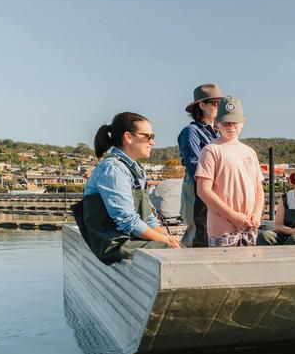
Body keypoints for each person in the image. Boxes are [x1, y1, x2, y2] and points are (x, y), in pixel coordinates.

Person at [80, 112, 181, 264]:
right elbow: (127, 220)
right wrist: (164, 240)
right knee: (172, 253)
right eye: (148, 136)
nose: (152, 142)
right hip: (114, 242)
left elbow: (149, 218)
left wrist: (166, 236)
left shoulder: (134, 169)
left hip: (129, 237)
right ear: (128, 137)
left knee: (179, 246)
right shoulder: (113, 169)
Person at [194, 96, 267, 247]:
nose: (231, 127)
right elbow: (203, 191)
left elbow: (259, 189)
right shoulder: (211, 150)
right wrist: (233, 216)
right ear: (217, 123)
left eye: (234, 122)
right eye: (226, 122)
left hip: (249, 228)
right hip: (223, 230)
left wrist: (257, 214)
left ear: (243, 123)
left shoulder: (249, 152)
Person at [177, 84, 222, 247]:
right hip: (198, 188)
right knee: (198, 231)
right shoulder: (191, 131)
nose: (220, 107)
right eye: (216, 103)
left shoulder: (218, 132)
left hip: (215, 188)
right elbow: (194, 165)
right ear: (202, 105)